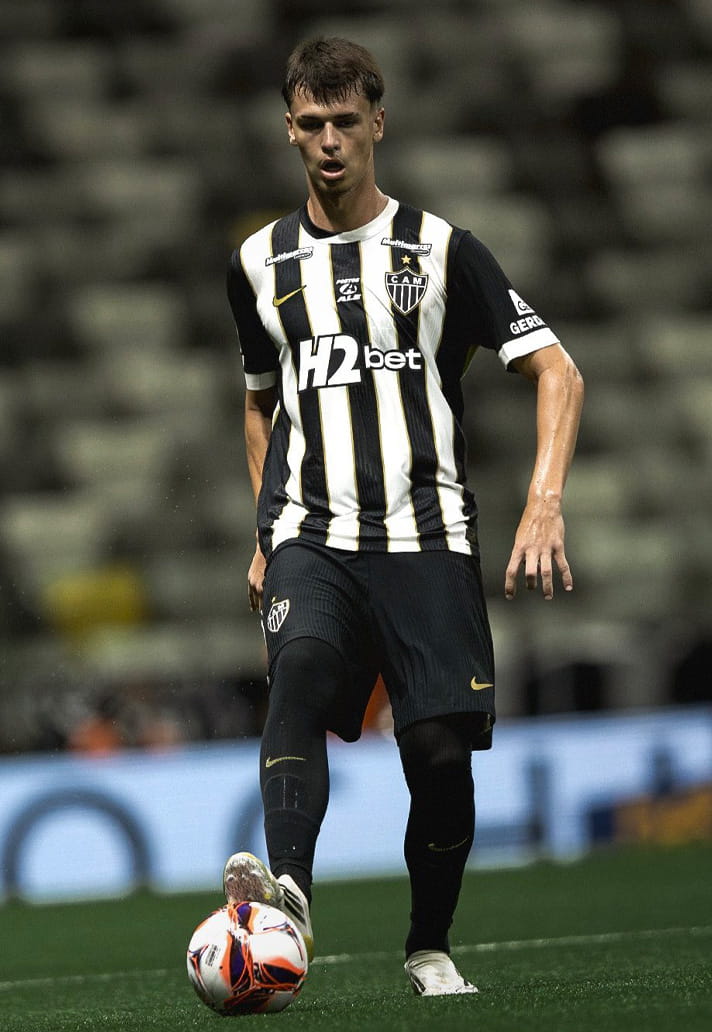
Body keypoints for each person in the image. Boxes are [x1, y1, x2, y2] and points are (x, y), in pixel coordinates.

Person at [224, 36, 584, 997]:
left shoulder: (443, 250)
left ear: (377, 123)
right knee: (298, 674)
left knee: (436, 752)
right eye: (312, 124)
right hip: (313, 534)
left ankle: (430, 946)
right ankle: (289, 896)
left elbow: (559, 370)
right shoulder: (258, 263)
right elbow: (259, 402)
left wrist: (543, 502)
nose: (330, 141)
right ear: (288, 129)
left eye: (346, 122)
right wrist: (266, 529)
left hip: (428, 536)